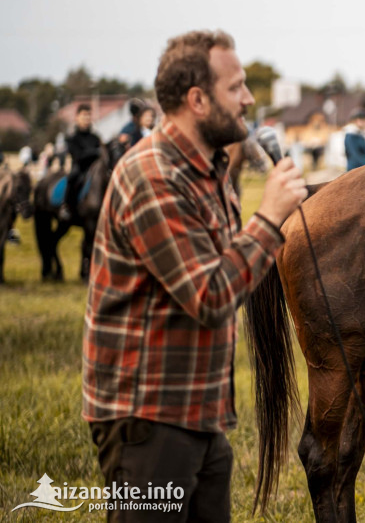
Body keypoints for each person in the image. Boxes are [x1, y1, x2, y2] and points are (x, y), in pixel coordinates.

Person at [81, 30, 307, 522]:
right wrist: (268, 218)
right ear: (198, 100)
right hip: (148, 417)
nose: (249, 100)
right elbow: (209, 295)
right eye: (237, 88)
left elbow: (227, 269)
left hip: (201, 412)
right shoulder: (154, 177)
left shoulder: (208, 170)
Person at [59, 104, 102, 221]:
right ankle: (66, 206)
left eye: (88, 116)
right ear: (77, 117)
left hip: (95, 169)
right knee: (73, 177)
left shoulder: (95, 137)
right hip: (79, 167)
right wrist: (95, 152)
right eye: (84, 116)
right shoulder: (72, 138)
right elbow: (78, 156)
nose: (86, 118)